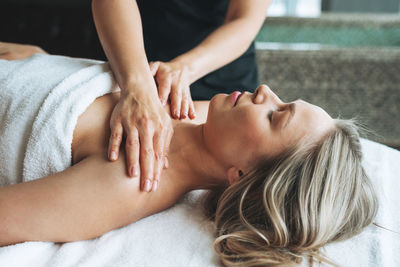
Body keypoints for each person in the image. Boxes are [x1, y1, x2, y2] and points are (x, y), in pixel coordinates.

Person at [0, 52, 377, 266]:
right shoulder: (195, 114)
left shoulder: (133, 177)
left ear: (241, 175)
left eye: (274, 116)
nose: (266, 90)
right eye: (284, 100)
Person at [91, 0, 272, 192]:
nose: (265, 92)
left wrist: (184, 69)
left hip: (222, 75)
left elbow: (245, 18)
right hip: (132, 48)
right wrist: (136, 82)